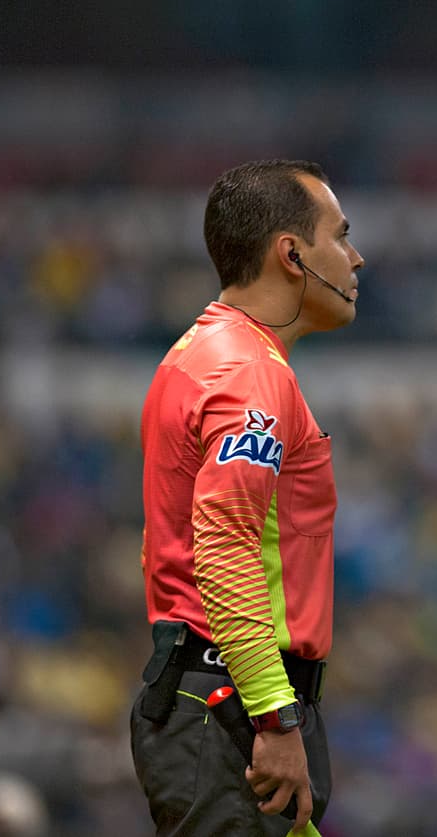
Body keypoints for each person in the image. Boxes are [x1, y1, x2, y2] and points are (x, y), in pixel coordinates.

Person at [130, 159, 364, 836]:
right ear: (291, 253)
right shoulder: (246, 376)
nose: (356, 257)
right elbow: (225, 549)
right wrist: (275, 715)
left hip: (216, 700)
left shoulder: (197, 354)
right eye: (340, 236)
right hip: (235, 712)